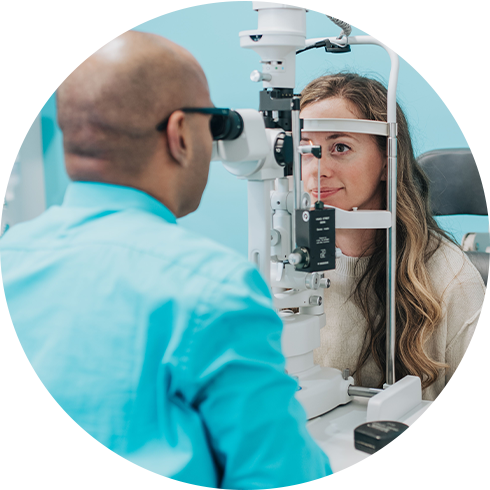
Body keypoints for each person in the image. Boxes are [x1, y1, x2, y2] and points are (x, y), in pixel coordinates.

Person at [0, 31, 333, 489]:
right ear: (179, 133)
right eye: (212, 123)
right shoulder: (212, 287)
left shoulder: (10, 256)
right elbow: (277, 475)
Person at [299, 73, 486, 401]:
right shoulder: (287, 267)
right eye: (306, 149)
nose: (318, 169)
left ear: (388, 161)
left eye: (340, 147)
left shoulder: (449, 280)